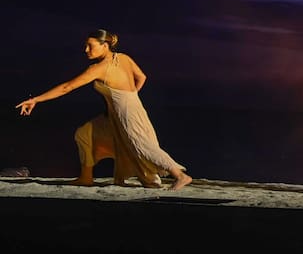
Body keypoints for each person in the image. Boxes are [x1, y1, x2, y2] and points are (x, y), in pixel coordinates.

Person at [15, 29, 192, 191]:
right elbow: (142, 77)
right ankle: (86, 178)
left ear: (104, 46)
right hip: (131, 108)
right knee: (84, 133)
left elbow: (67, 87)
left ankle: (180, 175)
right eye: (86, 46)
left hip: (126, 113)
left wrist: (35, 100)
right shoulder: (124, 58)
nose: (86, 50)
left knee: (142, 145)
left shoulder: (99, 68)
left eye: (90, 46)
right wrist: (129, 97)